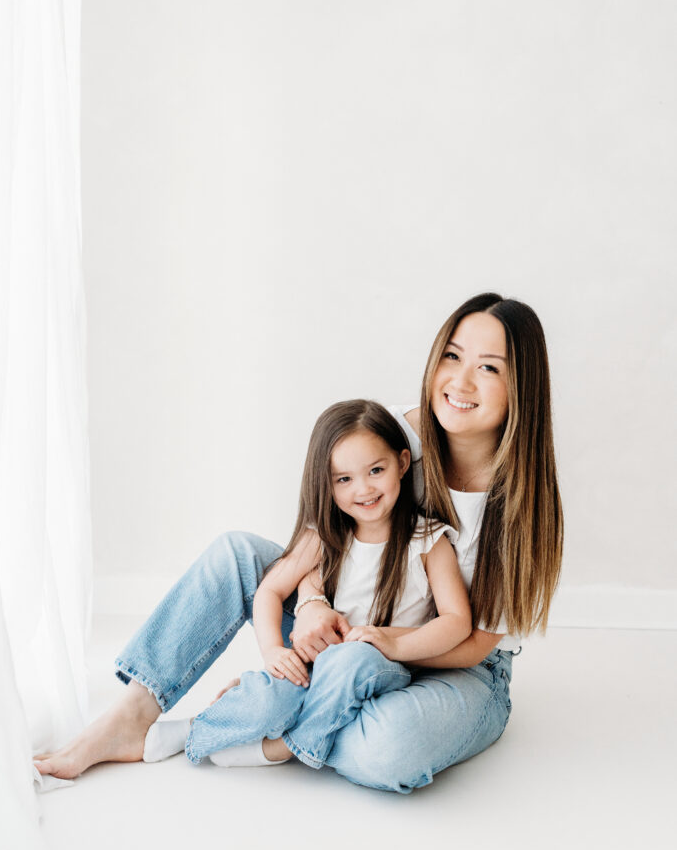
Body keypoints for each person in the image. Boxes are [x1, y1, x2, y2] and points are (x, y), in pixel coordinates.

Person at [34, 292, 563, 794]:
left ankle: (269, 726)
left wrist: (381, 651)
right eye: (452, 355)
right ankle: (132, 715)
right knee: (238, 555)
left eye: (489, 367)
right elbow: (320, 536)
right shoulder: (404, 439)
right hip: (349, 626)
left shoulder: (523, 508)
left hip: (451, 665)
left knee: (391, 749)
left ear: (522, 388)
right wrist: (312, 605)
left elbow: (470, 641)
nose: (460, 381)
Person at [140, 399, 472, 768]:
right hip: (322, 661)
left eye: (376, 470)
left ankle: (282, 749)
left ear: (403, 463)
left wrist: (393, 643)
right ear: (326, 484)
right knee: (273, 695)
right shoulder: (326, 535)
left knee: (354, 659)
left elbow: (457, 620)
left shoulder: (428, 540)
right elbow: (270, 590)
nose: (363, 489)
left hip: (386, 667)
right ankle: (195, 730)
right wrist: (274, 652)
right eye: (344, 479)